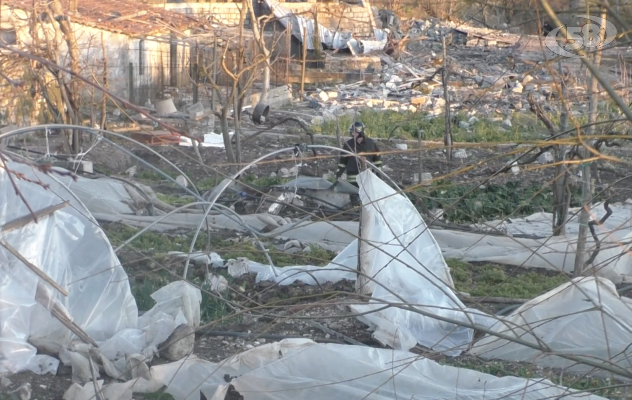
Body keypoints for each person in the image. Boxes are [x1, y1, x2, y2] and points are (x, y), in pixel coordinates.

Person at [333, 121, 383, 188]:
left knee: (366, 197)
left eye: (354, 132)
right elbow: (342, 163)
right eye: (352, 132)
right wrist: (338, 176)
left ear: (361, 132)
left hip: (367, 179)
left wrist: (378, 176)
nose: (352, 134)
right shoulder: (348, 144)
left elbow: (377, 160)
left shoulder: (370, 143)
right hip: (352, 181)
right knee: (354, 197)